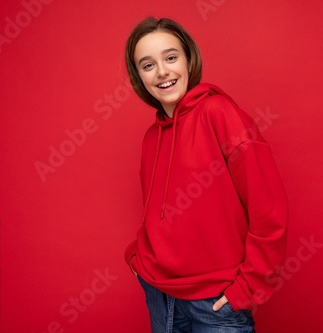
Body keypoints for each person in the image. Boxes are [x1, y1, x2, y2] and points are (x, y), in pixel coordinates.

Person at [124, 17, 288, 333]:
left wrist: (248, 286)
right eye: (148, 64)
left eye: (171, 57)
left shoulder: (219, 114)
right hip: (159, 295)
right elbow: (156, 212)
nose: (162, 72)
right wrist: (136, 257)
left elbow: (269, 209)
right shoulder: (151, 137)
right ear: (139, 76)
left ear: (188, 59)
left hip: (213, 304)